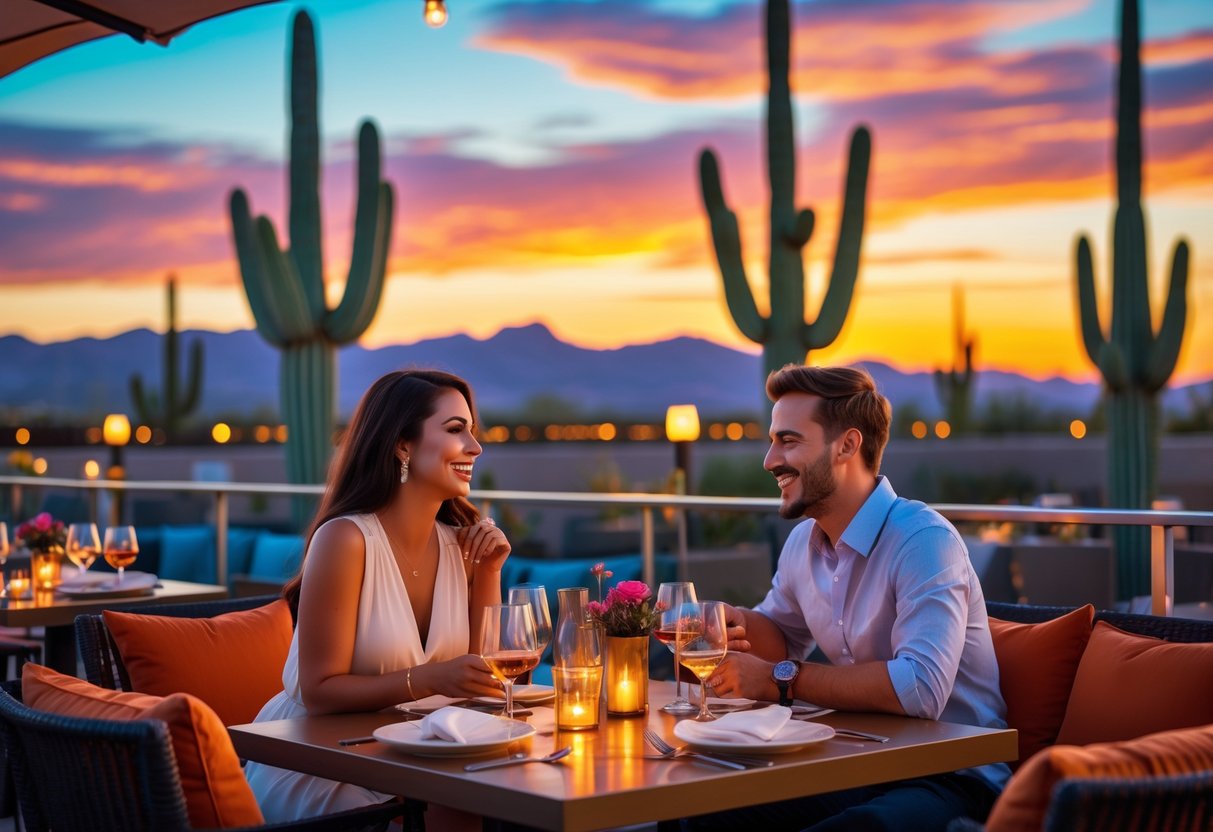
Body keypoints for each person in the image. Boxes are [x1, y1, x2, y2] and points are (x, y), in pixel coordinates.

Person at [693, 365, 1008, 831]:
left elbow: (919, 688)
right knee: (701, 810)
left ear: (847, 445)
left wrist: (783, 679)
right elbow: (780, 636)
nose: (769, 459)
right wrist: (728, 620)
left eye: (789, 440)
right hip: (859, 760)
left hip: (952, 775)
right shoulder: (804, 544)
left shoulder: (922, 540)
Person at [245, 369, 511, 823]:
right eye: (455, 430)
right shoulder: (345, 540)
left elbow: (482, 684)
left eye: (472, 430)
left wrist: (488, 571)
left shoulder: (460, 547)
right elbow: (319, 691)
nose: (475, 446)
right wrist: (432, 679)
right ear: (402, 445)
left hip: (414, 755)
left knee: (485, 799)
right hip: (322, 761)